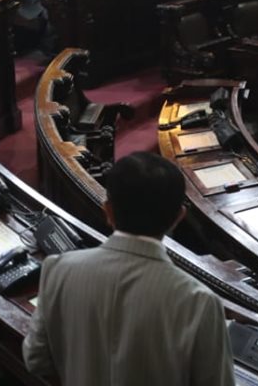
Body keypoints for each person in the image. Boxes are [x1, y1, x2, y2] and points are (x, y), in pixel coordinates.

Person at [23, 152, 235, 386]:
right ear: (178, 217)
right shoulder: (199, 301)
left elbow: (36, 360)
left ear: (108, 210)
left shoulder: (58, 270)